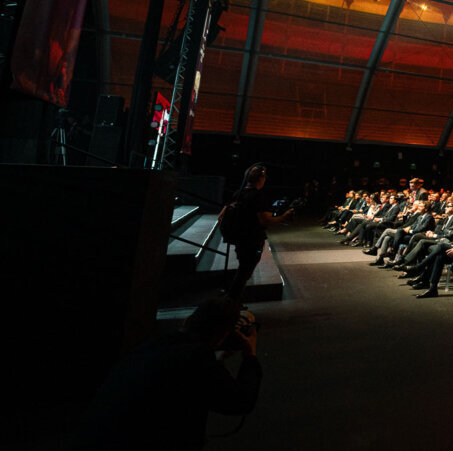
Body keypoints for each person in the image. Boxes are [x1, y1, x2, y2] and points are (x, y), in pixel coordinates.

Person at [73, 297, 261, 450]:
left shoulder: (157, 345)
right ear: (224, 336)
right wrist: (250, 355)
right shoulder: (196, 360)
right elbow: (240, 401)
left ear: (189, 320)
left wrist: (214, 357)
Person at [223, 163, 293, 301]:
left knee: (242, 271)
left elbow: (222, 216)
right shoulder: (258, 197)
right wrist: (284, 217)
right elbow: (265, 220)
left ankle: (232, 303)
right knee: (244, 274)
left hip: (239, 239)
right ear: (260, 178)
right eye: (264, 176)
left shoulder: (238, 193)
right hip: (253, 240)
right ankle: (231, 304)